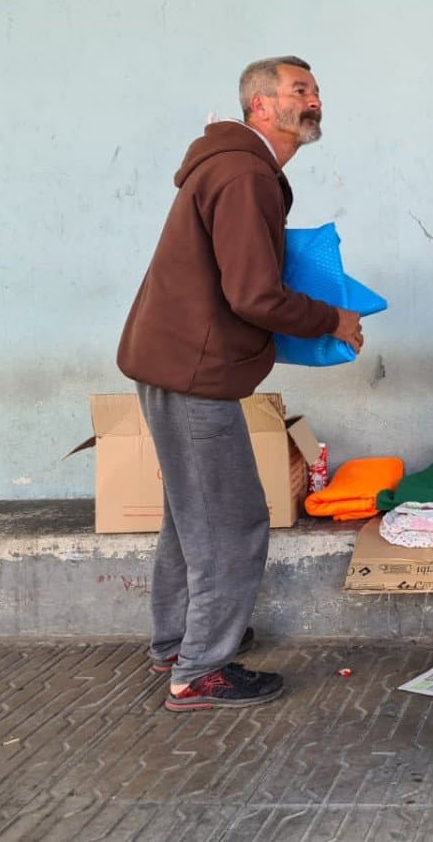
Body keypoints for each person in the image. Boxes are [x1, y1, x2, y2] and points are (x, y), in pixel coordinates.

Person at [117, 56, 363, 712]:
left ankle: (178, 642)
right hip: (193, 372)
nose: (313, 99)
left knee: (190, 517)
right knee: (232, 521)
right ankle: (200, 669)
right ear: (260, 105)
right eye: (298, 90)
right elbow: (254, 294)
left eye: (315, 89)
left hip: (178, 363)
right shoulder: (245, 172)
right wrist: (332, 318)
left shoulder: (237, 167)